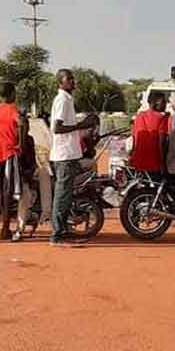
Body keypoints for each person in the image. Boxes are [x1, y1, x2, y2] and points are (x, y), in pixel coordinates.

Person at [49, 69, 97, 246]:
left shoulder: (67, 99)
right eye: (68, 79)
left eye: (72, 78)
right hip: (64, 155)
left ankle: (63, 231)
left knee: (66, 195)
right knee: (62, 196)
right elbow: (57, 128)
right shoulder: (62, 100)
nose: (72, 81)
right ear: (60, 82)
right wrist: (80, 125)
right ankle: (57, 235)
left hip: (69, 154)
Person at [0, 81, 22, 241]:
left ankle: (5, 224)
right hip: (9, 151)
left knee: (2, 189)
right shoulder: (13, 109)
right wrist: (20, 143)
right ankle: (5, 227)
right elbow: (21, 124)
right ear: (11, 94)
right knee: (9, 191)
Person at [130, 92, 169, 175]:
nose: (166, 105)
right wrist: (163, 163)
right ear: (157, 103)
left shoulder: (139, 116)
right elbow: (162, 142)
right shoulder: (162, 118)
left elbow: (134, 138)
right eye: (164, 102)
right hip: (154, 162)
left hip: (138, 161)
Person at [13, 112, 37, 242]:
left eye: (26, 126)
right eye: (21, 126)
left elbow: (32, 162)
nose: (23, 129)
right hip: (12, 176)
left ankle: (19, 229)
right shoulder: (11, 140)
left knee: (24, 197)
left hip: (23, 177)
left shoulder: (29, 140)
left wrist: (28, 174)